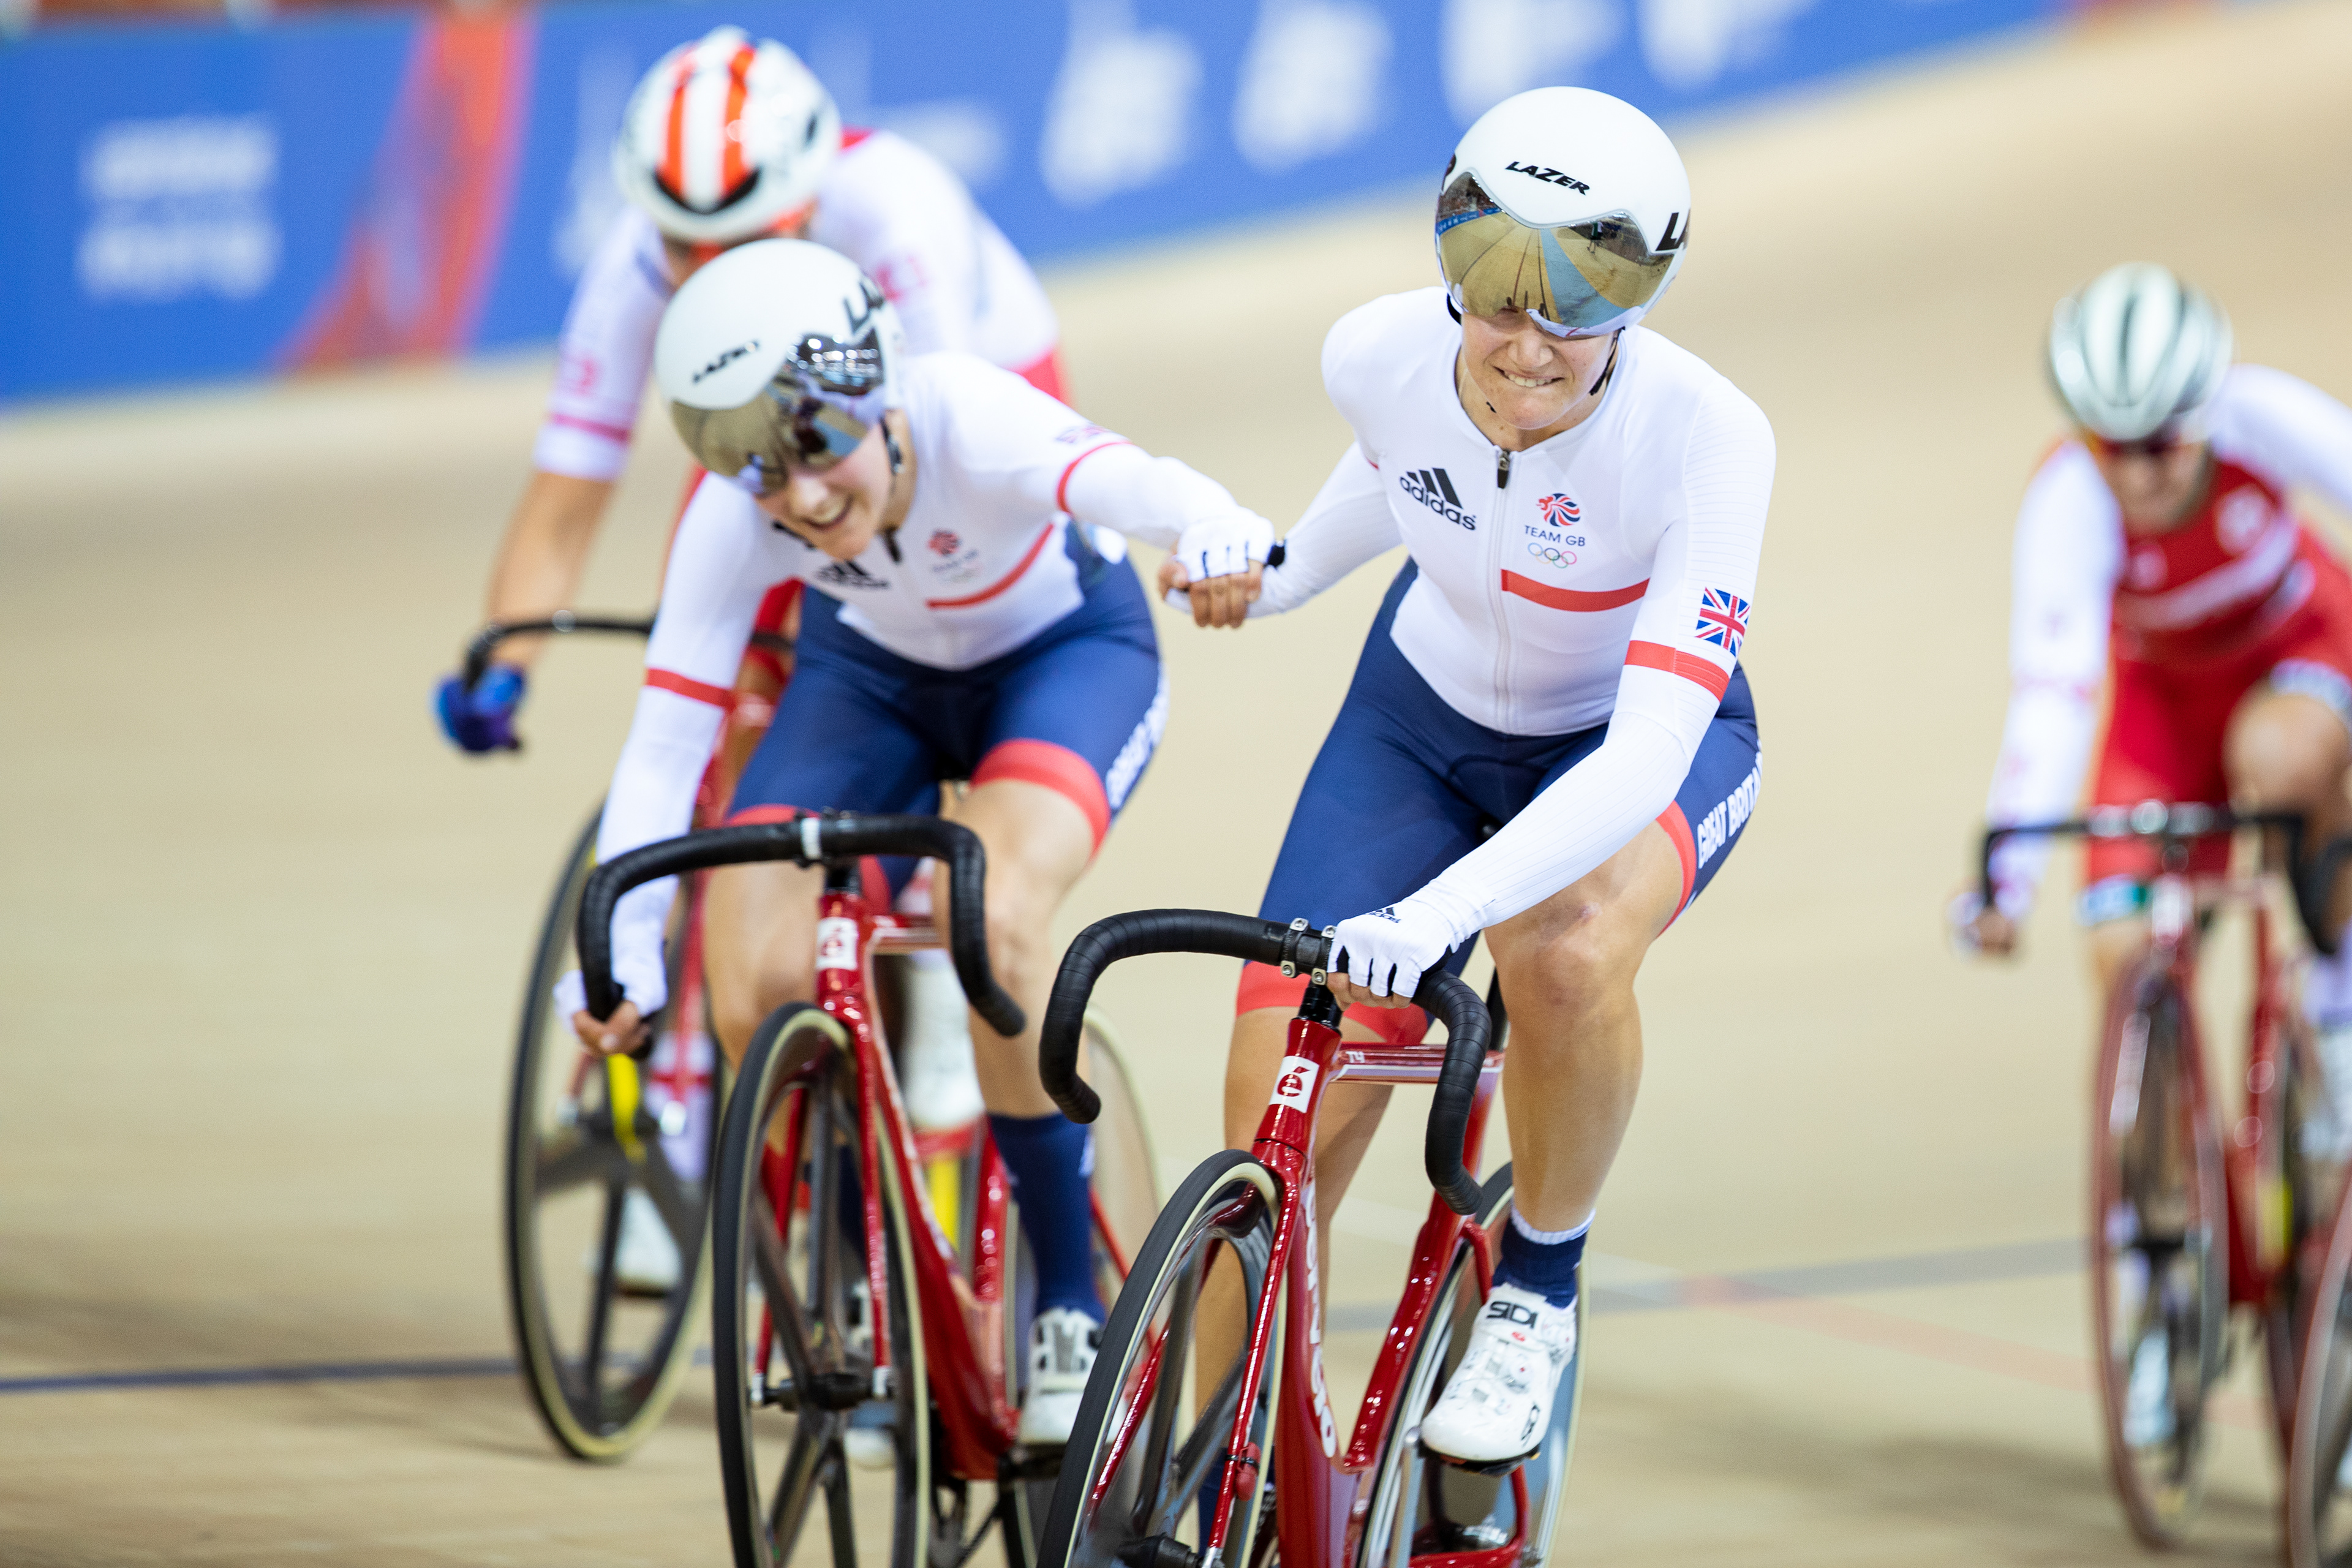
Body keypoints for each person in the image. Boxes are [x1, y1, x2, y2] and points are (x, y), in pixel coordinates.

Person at [560, 238, 1271, 1444]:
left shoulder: (967, 416)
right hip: (872, 679)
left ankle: (1063, 1298)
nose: (796, 494)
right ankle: (848, 1267)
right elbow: (664, 750)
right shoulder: (739, 522)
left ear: (880, 394)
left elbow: (1141, 482)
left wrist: (1215, 528)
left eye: (817, 444)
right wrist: (621, 955)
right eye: (750, 466)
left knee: (985, 916)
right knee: (755, 958)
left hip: (1062, 659)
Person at [1166, 88, 1770, 1472]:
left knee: (1555, 955)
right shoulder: (1374, 354)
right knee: (1277, 1144)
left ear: (1645, 291)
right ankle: (1197, 1475)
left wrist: (1443, 914)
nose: (1527, 337)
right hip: (1416, 721)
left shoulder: (1708, 436)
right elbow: (1387, 494)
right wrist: (1254, 576)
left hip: (1631, 741)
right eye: (1494, 280)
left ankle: (1537, 1288)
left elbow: (1640, 760)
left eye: (1580, 294)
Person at [447, 26, 1060, 1280]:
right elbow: (568, 490)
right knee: (716, 653)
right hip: (773, 419)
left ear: (811, 192)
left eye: (738, 242)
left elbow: (933, 470)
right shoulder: (637, 266)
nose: (702, 266)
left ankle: (947, 981)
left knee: (927, 633)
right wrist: (506, 652)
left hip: (955, 415)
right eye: (682, 246)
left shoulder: (892, 211)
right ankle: (689, 1090)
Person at [1955, 263, 2352, 1113]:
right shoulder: (2067, 496)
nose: (2139, 475)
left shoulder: (2261, 414)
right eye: (2112, 447)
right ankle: (2168, 1204)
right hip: (2165, 711)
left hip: (2299, 650)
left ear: (2204, 417)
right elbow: (2054, 693)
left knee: (2280, 762)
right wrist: (2010, 879)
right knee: (2122, 953)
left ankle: (2338, 988)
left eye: (2163, 443)